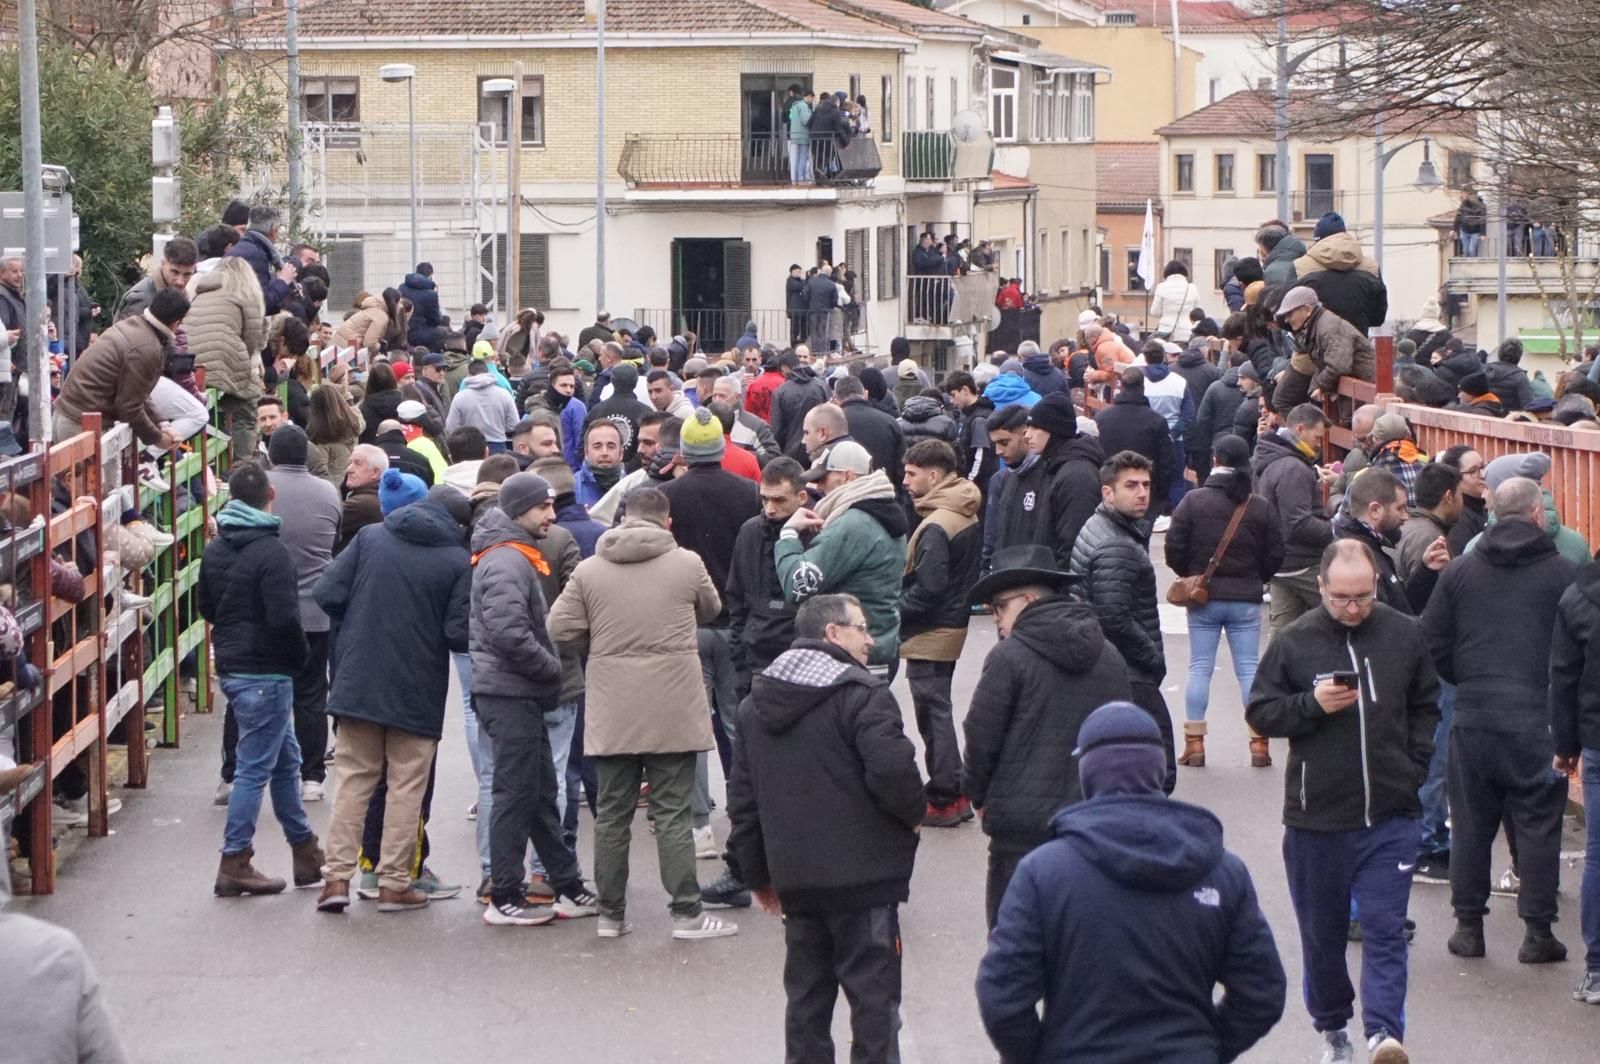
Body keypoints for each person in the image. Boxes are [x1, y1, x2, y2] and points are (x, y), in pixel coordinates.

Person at [978, 701, 1286, 1064]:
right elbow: (1262, 993)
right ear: (1158, 770)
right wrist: (1206, 1048)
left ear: (1088, 773)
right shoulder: (1221, 871)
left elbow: (1002, 996)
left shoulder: (1042, 872)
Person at [1247, 539, 1440, 1064]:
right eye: (1341, 598)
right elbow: (1261, 713)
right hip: (1317, 820)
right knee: (1323, 939)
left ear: (1376, 585)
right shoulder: (1295, 641)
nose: (1352, 608)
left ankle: (1383, 1034)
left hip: (1391, 817)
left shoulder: (1404, 634)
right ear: (1322, 588)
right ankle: (1333, 1030)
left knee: (1385, 930)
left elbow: (1426, 706)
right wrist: (1311, 704)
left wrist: (1413, 768)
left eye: (1362, 596)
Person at [726, 593, 923, 1063]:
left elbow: (744, 803)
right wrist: (911, 820)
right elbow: (894, 773)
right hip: (865, 881)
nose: (870, 640)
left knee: (807, 1002)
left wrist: (757, 876)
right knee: (874, 1004)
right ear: (832, 633)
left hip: (798, 882)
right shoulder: (862, 696)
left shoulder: (755, 707)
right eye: (861, 628)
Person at [548, 487, 737, 940]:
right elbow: (711, 609)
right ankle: (687, 915)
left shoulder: (591, 570)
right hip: (673, 702)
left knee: (612, 814)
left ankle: (612, 916)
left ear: (620, 518)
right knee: (672, 812)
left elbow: (559, 627)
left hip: (613, 704)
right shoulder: (687, 563)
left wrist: (597, 645)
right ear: (667, 522)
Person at [1421, 476, 1577, 965]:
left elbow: (1434, 643)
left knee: (1470, 825)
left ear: (1491, 515)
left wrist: (1466, 680)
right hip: (1538, 716)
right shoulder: (1563, 575)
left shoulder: (1460, 572)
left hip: (1474, 714)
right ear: (1537, 516)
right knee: (1538, 825)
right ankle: (1537, 932)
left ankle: (1468, 927)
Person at [312, 479, 472, 914]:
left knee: (352, 781)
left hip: (357, 679)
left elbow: (327, 593)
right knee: (405, 787)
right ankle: (394, 884)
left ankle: (335, 882)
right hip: (416, 688)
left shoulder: (370, 537)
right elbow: (459, 634)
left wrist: (363, 619)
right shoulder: (458, 560)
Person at [963, 544, 1133, 927]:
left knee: (1015, 950)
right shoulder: (1108, 654)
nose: (997, 622)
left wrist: (977, 793)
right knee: (1080, 949)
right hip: (1094, 823)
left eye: (999, 608)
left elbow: (981, 733)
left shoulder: (1009, 657)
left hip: (1020, 830)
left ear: (1027, 599)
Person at [469, 472, 599, 925]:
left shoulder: (513, 555)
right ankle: (504, 895)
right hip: (510, 692)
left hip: (514, 691)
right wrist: (551, 668)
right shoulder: (507, 560)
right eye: (543, 507)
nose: (551, 514)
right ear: (520, 509)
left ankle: (567, 884)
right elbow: (508, 632)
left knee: (541, 792)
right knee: (517, 793)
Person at [199, 459, 321, 898]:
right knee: (254, 769)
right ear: (270, 495)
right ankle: (235, 859)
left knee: (285, 760)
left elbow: (206, 607)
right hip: (267, 670)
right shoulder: (272, 551)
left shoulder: (216, 548)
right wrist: (301, 657)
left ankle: (305, 849)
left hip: (234, 666)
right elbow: (285, 616)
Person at [659, 407, 762, 857]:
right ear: (722, 447)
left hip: (685, 626)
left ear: (683, 450)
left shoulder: (666, 497)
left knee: (692, 729)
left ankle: (699, 825)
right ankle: (747, 815)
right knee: (739, 724)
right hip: (736, 624)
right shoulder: (749, 493)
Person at [1165, 434, 1284, 770]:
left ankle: (1195, 743)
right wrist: (1256, 579)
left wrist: (1192, 576)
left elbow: (1174, 547)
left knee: (1199, 667)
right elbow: (1275, 551)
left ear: (1215, 460)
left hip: (1204, 598)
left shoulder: (1193, 501)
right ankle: (1259, 743)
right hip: (1245, 597)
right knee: (1248, 669)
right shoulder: (1258, 505)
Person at [1068, 451, 1176, 792]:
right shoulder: (1117, 544)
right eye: (1131, 485)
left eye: (1145, 484)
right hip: (1128, 670)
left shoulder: (1103, 526)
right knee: (1157, 772)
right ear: (1107, 493)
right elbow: (1114, 617)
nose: (1142, 492)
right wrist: (1152, 659)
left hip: (1107, 662)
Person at [899, 440, 982, 827]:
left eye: (911, 473)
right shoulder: (962, 508)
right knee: (939, 709)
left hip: (930, 630)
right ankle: (957, 790)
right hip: (953, 623)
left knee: (933, 714)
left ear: (934, 476)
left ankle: (945, 795)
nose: (905, 481)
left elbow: (929, 588)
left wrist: (891, 608)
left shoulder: (936, 524)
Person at [776, 441, 907, 670]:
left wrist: (788, 534)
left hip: (852, 655)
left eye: (823, 479)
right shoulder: (884, 514)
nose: (819, 487)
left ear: (846, 476)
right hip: (877, 645)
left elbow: (798, 585)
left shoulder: (855, 524)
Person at [264, 427, 341, 804]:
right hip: (314, 609)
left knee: (257, 689)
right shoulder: (328, 492)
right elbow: (335, 540)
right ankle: (312, 776)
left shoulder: (258, 489)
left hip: (265, 610)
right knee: (312, 694)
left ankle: (236, 774)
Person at [1549, 551, 1600, 1003]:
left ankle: (1598, 968)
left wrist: (1566, 747)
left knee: (1599, 855)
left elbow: (1564, 678)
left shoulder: (1579, 595)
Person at [54, 287, 186, 449]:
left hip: (69, 416)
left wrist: (161, 423)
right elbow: (130, 407)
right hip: (80, 426)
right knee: (90, 476)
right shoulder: (147, 348)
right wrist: (158, 439)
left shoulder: (133, 325)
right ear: (175, 324)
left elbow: (137, 392)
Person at [996, 393, 1105, 570]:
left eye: (1034, 428)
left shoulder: (1077, 475)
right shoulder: (1053, 466)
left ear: (1054, 430)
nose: (1027, 436)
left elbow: (1073, 546)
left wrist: (1051, 587)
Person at [1253, 402, 1335, 634]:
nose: (1319, 445)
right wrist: (1335, 530)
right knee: (1344, 612)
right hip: (1302, 562)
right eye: (1317, 438)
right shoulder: (1294, 469)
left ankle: (1275, 670)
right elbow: (1298, 524)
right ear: (1300, 429)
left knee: (1282, 635)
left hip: (1279, 563)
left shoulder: (1268, 458)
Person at [187, 256, 267, 462]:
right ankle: (242, 462)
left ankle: (210, 457)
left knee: (209, 405)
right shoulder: (244, 293)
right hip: (223, 357)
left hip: (190, 364)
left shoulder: (199, 291)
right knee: (247, 407)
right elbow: (252, 338)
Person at [1275, 286, 1376, 402]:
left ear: (1307, 309)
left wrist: (1319, 385)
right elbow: (1324, 364)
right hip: (1358, 388)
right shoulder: (1318, 326)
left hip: (1365, 390)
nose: (1287, 320)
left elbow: (1339, 365)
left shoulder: (1328, 327)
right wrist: (1316, 386)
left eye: (1290, 314)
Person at [1294, 212, 1389, 335]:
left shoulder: (1300, 266)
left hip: (1316, 347)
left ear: (1318, 238)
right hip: (1358, 344)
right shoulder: (1371, 267)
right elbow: (1378, 317)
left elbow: (1292, 312)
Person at [1092, 368, 1176, 506]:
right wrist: (1160, 494)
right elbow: (1167, 462)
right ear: (1143, 388)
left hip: (1110, 491)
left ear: (1121, 386)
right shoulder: (1157, 421)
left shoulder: (1101, 419)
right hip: (1145, 494)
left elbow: (1093, 455)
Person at [832, 376, 904, 494]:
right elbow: (901, 468)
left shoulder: (832, 423)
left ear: (836, 399)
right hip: (884, 493)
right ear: (865, 394)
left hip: (844, 496)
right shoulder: (889, 422)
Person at [1395, 462, 1463, 586]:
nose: (1462, 501)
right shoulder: (1431, 539)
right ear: (1449, 497)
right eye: (1460, 494)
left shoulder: (1406, 525)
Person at [224, 205, 297, 315]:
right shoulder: (256, 255)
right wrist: (283, 281)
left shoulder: (241, 248)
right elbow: (261, 303)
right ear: (273, 231)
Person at [113, 235, 198, 321]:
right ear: (163, 263)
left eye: (187, 274)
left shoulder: (181, 295)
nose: (180, 282)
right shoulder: (141, 298)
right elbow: (127, 333)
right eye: (175, 272)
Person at [446, 360, 520, 452]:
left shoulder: (460, 397)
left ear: (469, 374)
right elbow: (514, 424)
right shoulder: (504, 394)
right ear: (487, 372)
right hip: (498, 445)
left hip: (469, 447)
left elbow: (451, 426)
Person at [772, 350, 829, 460]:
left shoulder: (781, 392)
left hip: (791, 451)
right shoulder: (822, 387)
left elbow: (777, 429)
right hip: (820, 449)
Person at [334, 444, 388, 555]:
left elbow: (320, 526)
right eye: (350, 463)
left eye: (357, 464)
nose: (349, 469)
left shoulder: (363, 504)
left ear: (376, 472)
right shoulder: (373, 495)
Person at [1150, 260, 1203, 342]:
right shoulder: (1192, 288)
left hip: (1166, 333)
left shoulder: (1161, 287)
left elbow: (1154, 312)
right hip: (1187, 333)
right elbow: (1197, 311)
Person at [397, 262, 444, 348]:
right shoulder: (431, 294)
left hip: (401, 330)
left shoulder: (402, 287)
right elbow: (434, 320)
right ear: (430, 275)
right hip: (417, 332)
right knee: (443, 332)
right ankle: (428, 356)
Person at [1485, 338, 1534, 413]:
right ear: (1519, 356)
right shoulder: (1521, 377)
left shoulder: (1485, 370)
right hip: (1508, 420)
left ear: (1499, 352)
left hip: (1484, 415)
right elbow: (1528, 406)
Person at [744, 348, 787, 424]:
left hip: (759, 427)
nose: (751, 363)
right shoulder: (786, 383)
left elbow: (748, 412)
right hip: (781, 427)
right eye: (748, 359)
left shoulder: (753, 385)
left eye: (754, 359)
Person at [1455, 189, 1488, 256]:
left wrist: (1483, 234)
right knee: (1465, 250)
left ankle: (1472, 264)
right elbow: (1458, 218)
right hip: (1465, 230)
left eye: (1465, 197)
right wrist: (1453, 229)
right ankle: (1465, 264)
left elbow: (1482, 220)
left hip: (1475, 231)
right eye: (1461, 197)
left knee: (1472, 250)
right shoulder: (1463, 205)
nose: (1463, 199)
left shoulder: (1480, 206)